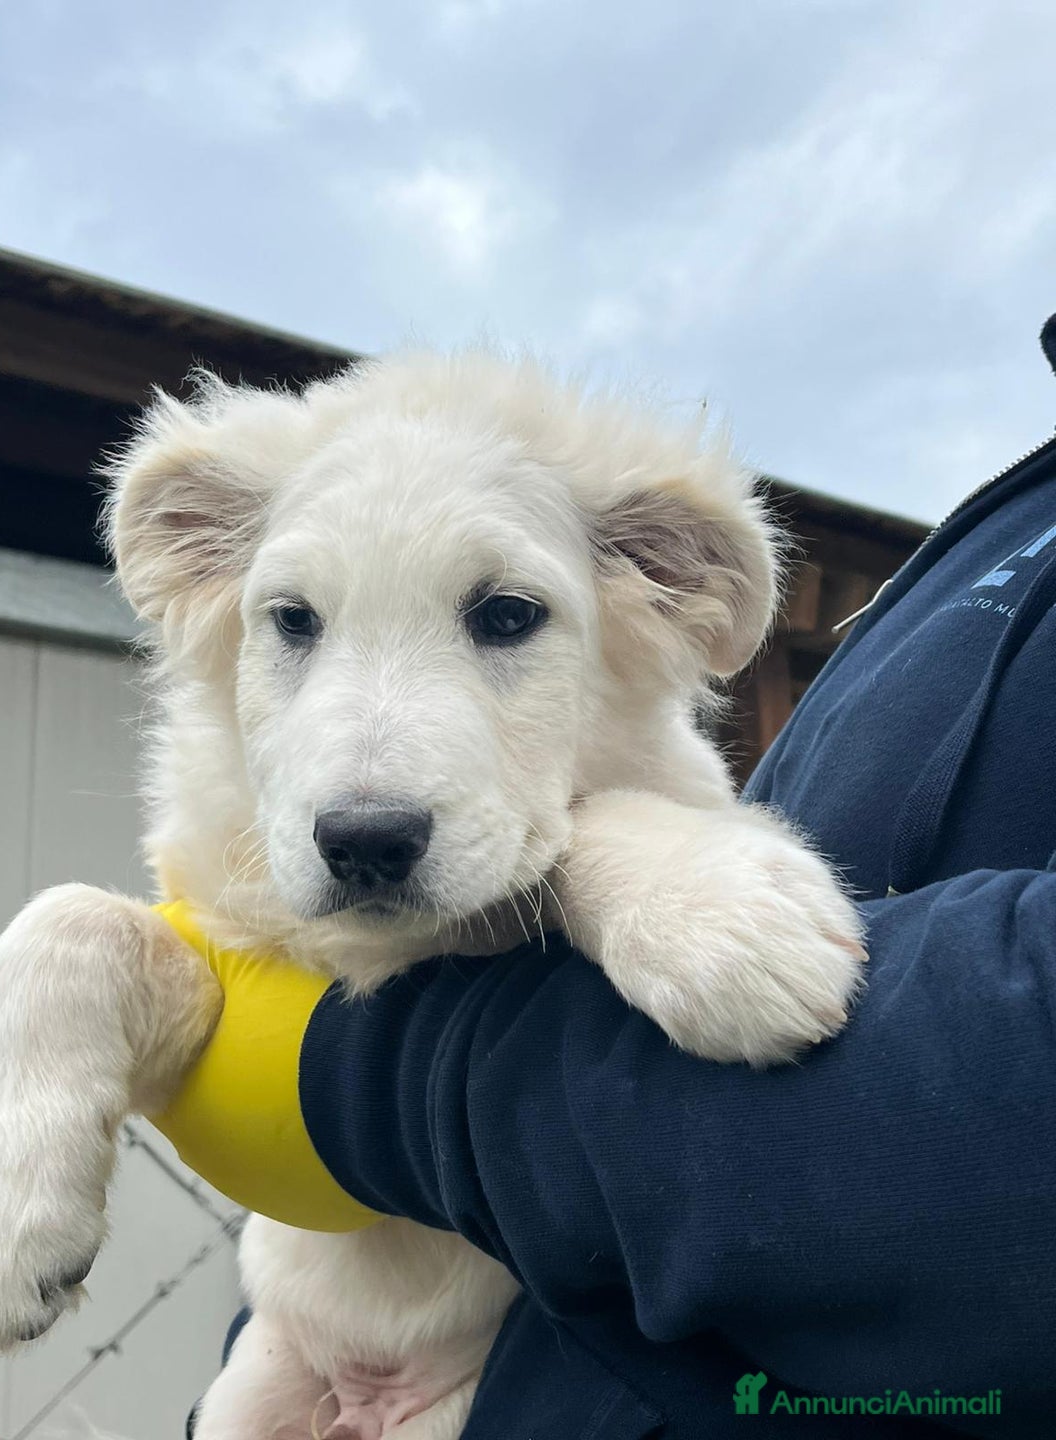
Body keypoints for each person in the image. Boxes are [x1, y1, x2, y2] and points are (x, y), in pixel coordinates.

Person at [205, 317, 1056, 1439]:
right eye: (295, 619)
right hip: (333, 1343)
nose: (362, 789)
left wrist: (356, 1079)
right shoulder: (1001, 519)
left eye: (503, 615)